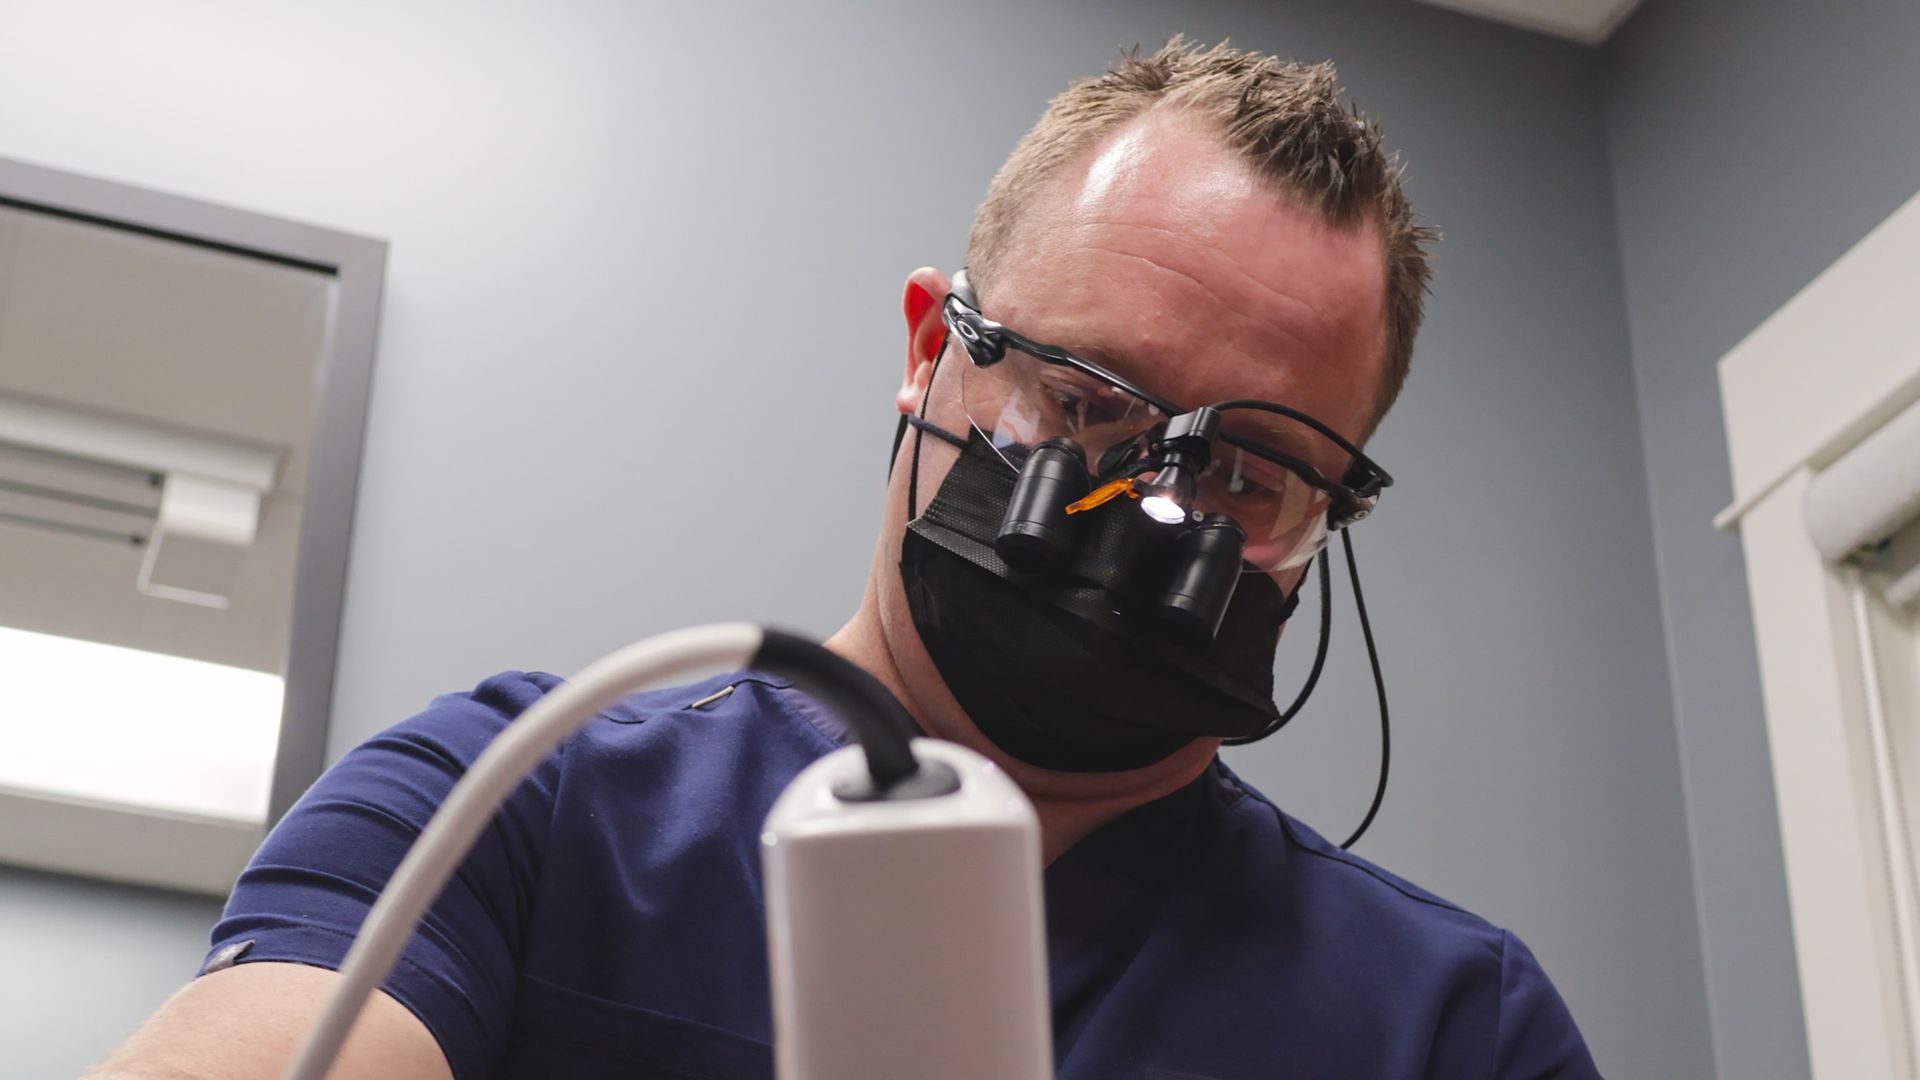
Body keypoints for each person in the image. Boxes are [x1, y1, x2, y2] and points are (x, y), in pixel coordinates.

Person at [91, 37, 1599, 1079]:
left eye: (1247, 474)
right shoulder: (516, 811)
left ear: (1326, 513)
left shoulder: (1451, 1028)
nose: (1143, 507)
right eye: (1083, 405)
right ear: (936, 348)